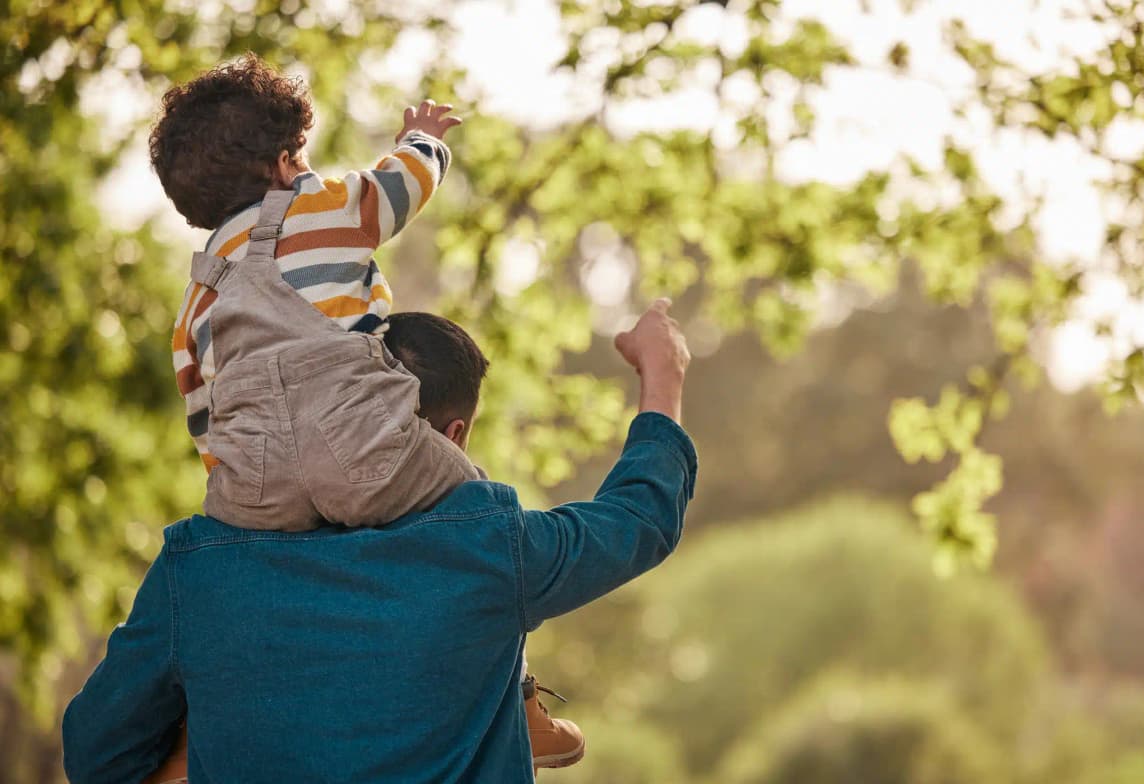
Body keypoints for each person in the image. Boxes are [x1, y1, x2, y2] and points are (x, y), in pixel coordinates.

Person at [63, 299, 696, 783]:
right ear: (452, 437)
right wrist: (662, 376)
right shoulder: (487, 548)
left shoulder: (199, 570)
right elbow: (638, 520)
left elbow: (97, 754)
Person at [141, 313, 587, 782]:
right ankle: (521, 697)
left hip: (249, 471)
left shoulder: (207, 306)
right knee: (488, 528)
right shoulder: (345, 273)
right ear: (453, 433)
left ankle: (195, 723)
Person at [154, 53, 477, 531]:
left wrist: (241, 486)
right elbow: (403, 185)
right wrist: (423, 139)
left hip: (260, 491)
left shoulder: (195, 299)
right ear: (285, 165)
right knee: (473, 496)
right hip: (361, 443)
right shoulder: (326, 209)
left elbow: (202, 414)